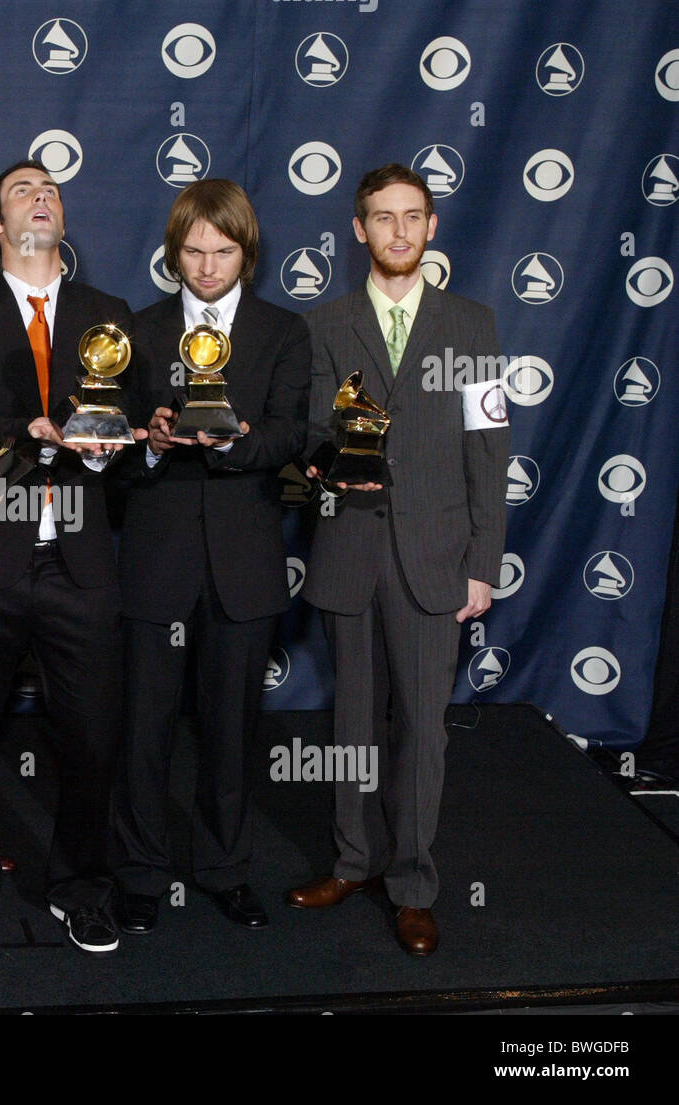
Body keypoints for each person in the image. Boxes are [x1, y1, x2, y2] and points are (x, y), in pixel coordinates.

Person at [287, 164, 509, 956]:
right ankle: (353, 860)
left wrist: (484, 559)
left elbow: (489, 449)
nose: (399, 231)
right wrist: (321, 456)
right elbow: (312, 427)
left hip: (436, 556)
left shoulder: (474, 326)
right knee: (351, 722)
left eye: (412, 216)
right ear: (359, 230)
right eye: (383, 218)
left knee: (423, 729)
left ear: (433, 226)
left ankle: (413, 882)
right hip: (350, 547)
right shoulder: (323, 325)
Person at [0, 160, 140, 955]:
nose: (41, 194)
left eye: (50, 187)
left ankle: (81, 886)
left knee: (90, 737)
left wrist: (104, 446)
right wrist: (36, 431)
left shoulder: (106, 316)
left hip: (80, 557)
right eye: (21, 189)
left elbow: (122, 434)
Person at [113, 179, 310, 935]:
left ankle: (225, 869)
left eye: (221, 251)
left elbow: (293, 432)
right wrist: (152, 443)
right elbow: (115, 453)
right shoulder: (138, 328)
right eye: (192, 251)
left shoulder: (283, 331)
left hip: (244, 560)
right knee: (143, 728)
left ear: (246, 252)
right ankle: (138, 874)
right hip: (157, 557)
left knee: (231, 730)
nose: (205, 266)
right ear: (174, 251)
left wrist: (235, 444)